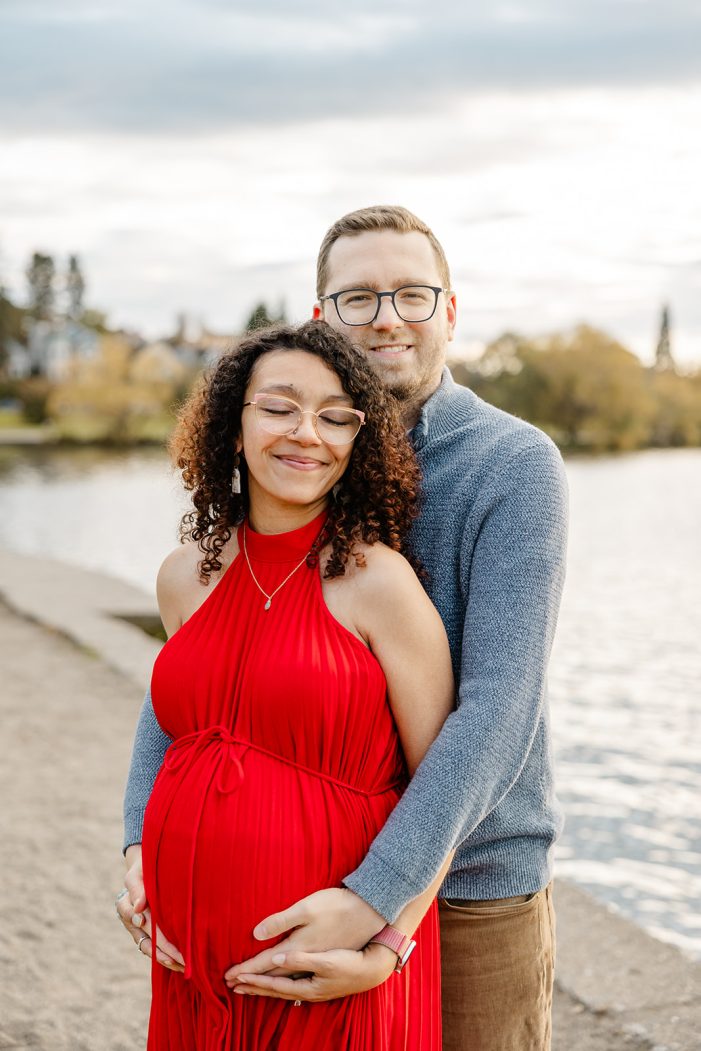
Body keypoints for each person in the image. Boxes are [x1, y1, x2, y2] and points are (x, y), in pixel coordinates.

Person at [119, 206, 568, 1050]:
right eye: (358, 297)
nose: (387, 316)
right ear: (320, 316)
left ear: (450, 311)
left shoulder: (510, 464)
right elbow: (192, 680)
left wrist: (383, 907)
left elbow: (500, 708)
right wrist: (142, 837)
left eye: (411, 293)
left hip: (464, 886)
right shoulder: (301, 455)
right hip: (278, 896)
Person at [126, 319, 454, 1049]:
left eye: (335, 416)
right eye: (278, 406)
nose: (307, 433)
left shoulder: (380, 583)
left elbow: (443, 792)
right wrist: (138, 861)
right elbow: (177, 736)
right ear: (231, 425)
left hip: (330, 974)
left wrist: (385, 947)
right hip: (188, 966)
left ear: (355, 442)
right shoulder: (184, 574)